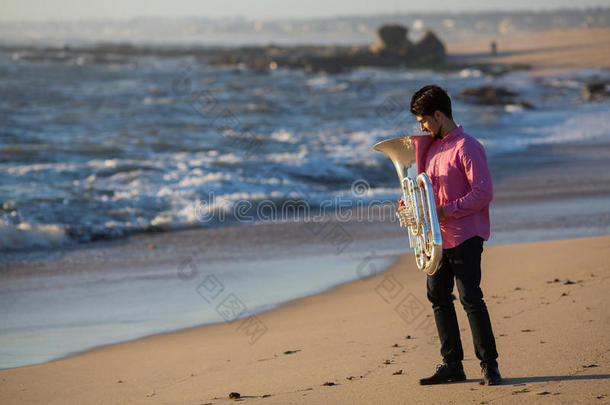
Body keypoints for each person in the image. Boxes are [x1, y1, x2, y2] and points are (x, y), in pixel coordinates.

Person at [400, 84, 502, 386]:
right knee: (438, 296)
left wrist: (447, 210)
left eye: (423, 121)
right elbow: (424, 191)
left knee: (470, 297)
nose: (421, 127)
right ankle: (452, 365)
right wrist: (409, 205)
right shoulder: (429, 149)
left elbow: (484, 193)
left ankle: (489, 365)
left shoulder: (467, 146)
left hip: (466, 233)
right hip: (438, 237)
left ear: (439, 114)